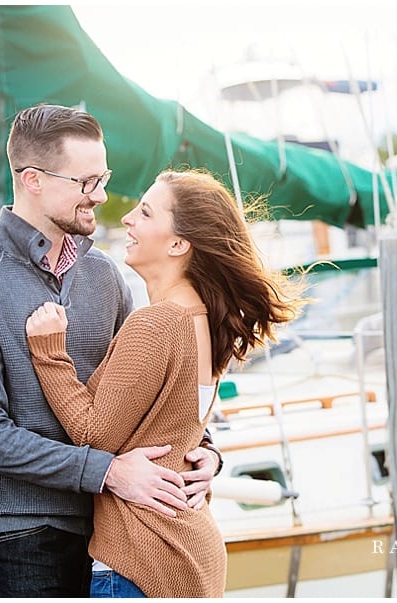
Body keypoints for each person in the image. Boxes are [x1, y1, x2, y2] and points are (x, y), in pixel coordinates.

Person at [0, 104, 223, 598]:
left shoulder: (106, 276)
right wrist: (109, 473)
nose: (102, 196)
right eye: (86, 182)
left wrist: (205, 453)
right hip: (22, 535)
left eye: (103, 177)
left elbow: (144, 394)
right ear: (33, 180)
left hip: (117, 533)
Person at [25, 168, 306, 597]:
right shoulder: (205, 321)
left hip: (144, 559)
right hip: (189, 550)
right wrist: (209, 454)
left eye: (145, 212)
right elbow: (178, 426)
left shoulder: (157, 324)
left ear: (177, 244)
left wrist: (49, 353)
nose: (128, 221)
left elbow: (91, 434)